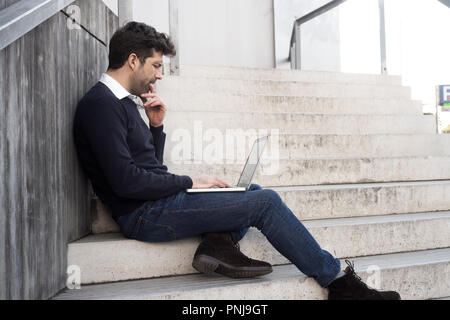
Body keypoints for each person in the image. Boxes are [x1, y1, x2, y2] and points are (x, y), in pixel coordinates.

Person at [73, 21, 401, 300]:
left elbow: (149, 169)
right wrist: (190, 181)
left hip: (154, 203)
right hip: (143, 215)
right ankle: (340, 284)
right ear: (133, 60)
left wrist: (156, 128)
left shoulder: (126, 104)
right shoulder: (100, 105)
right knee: (266, 202)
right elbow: (126, 181)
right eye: (156, 65)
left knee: (250, 189)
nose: (159, 75)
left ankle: (216, 244)